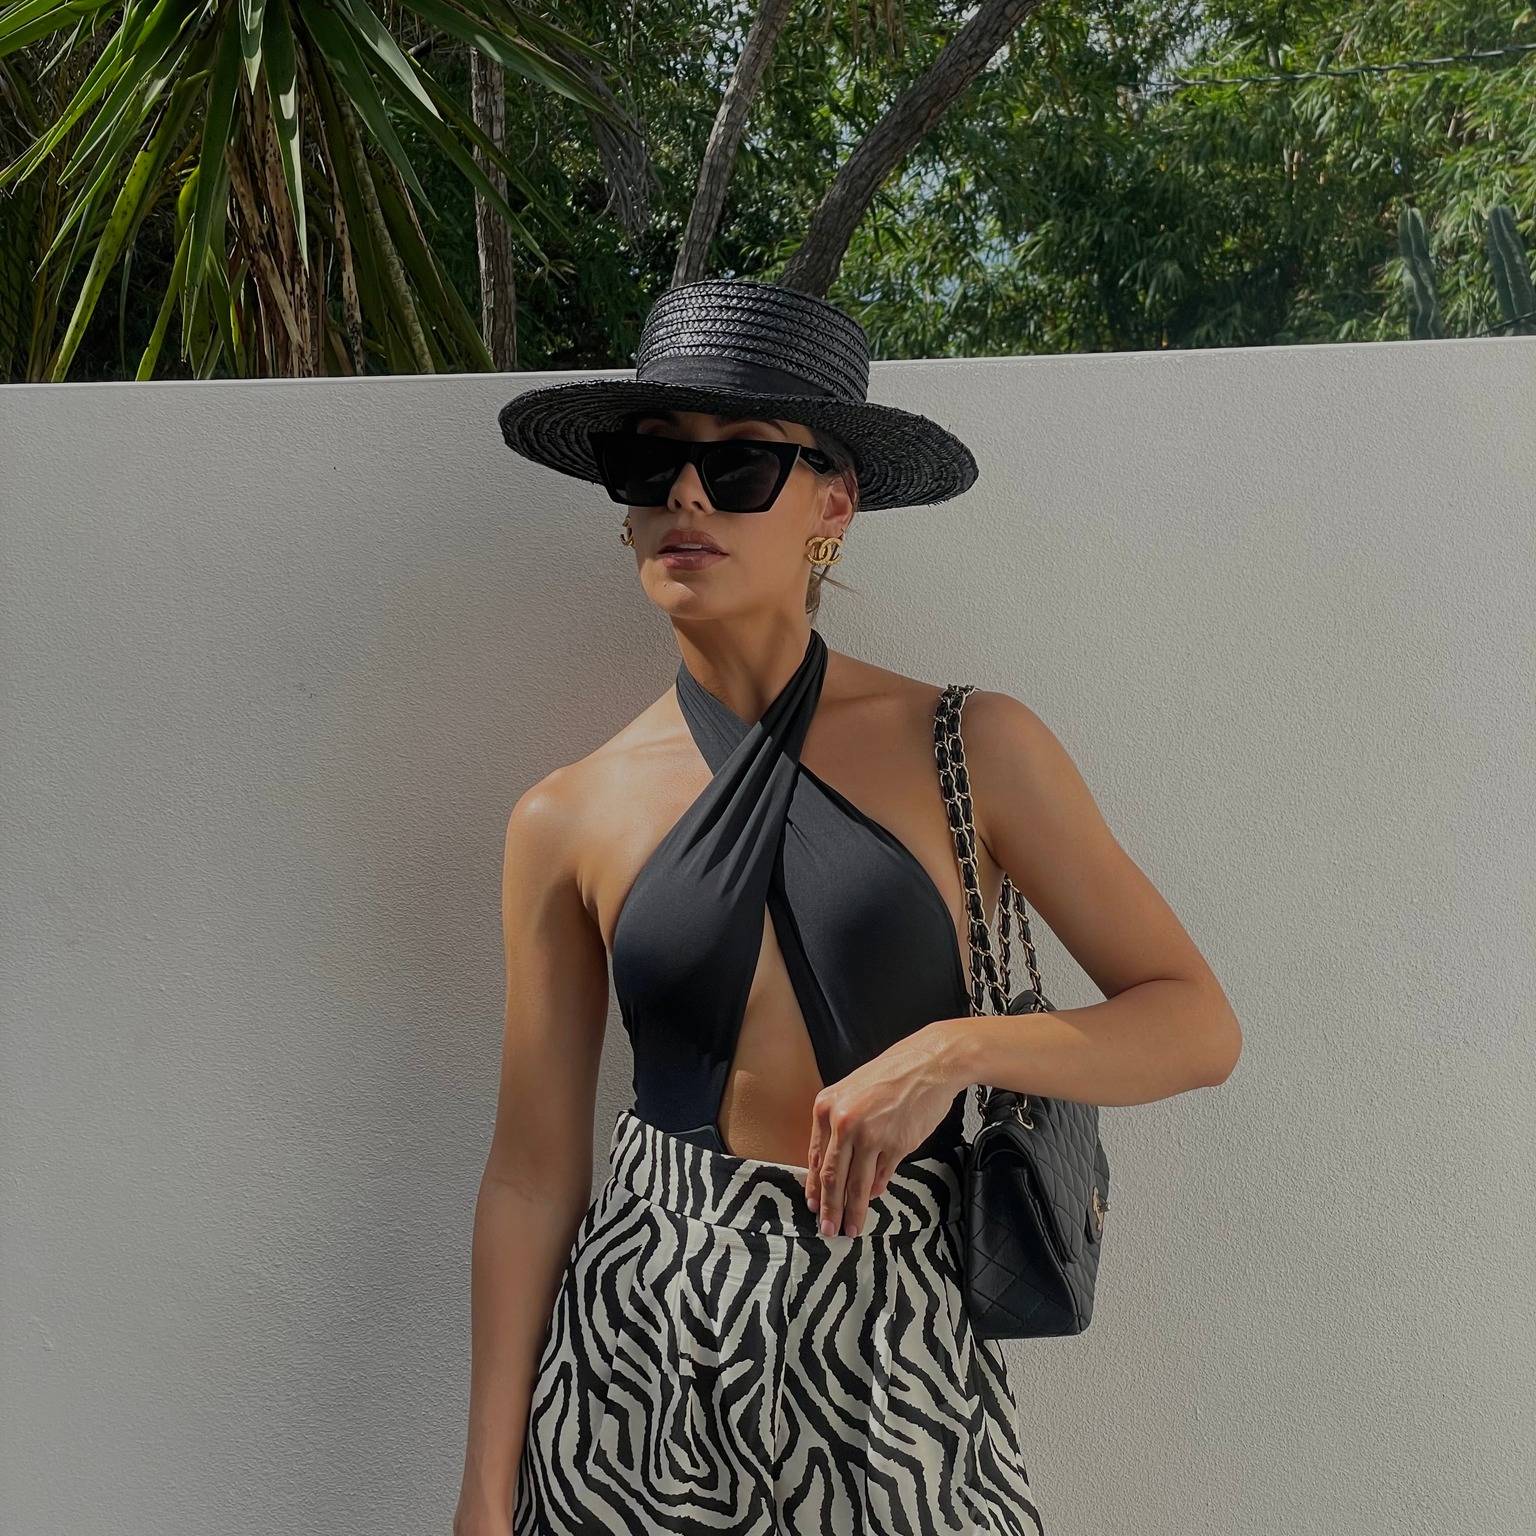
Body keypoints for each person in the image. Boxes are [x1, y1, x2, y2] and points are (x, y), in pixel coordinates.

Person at [456, 278, 1240, 1536]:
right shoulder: (566, 814)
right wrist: (487, 1492)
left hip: (895, 1357)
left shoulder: (974, 746)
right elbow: (531, 1175)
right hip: (635, 1366)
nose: (688, 495)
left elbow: (1197, 1024)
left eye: (742, 464)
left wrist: (955, 1050)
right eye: (653, 462)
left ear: (833, 504)